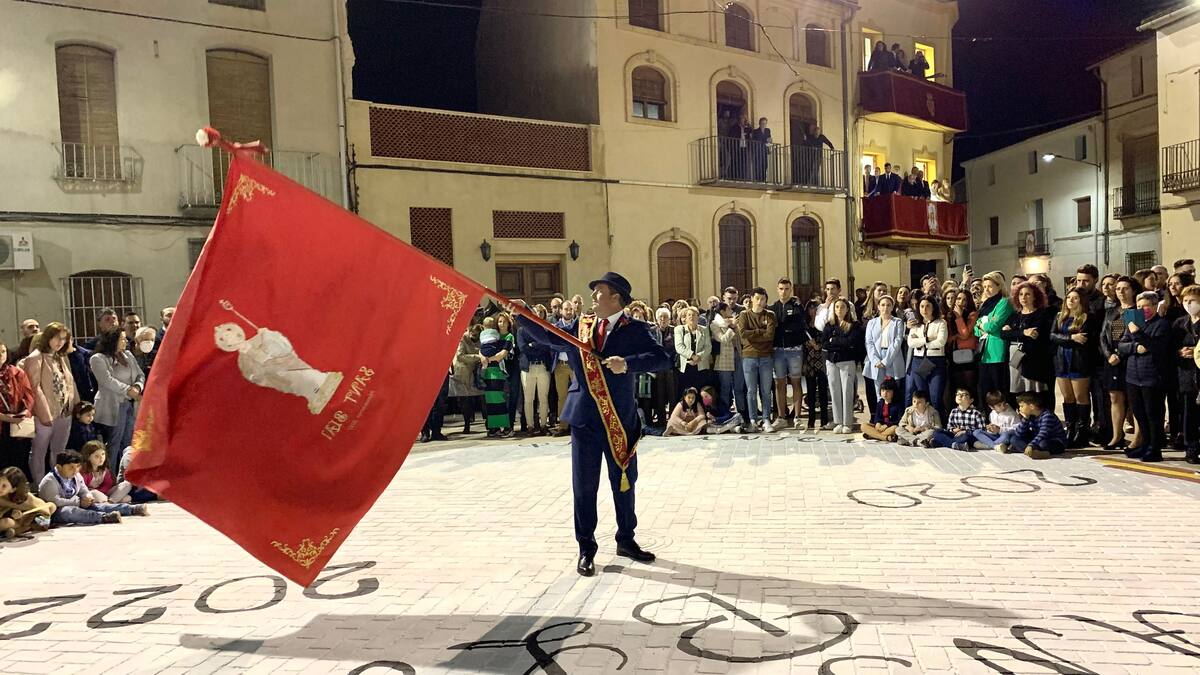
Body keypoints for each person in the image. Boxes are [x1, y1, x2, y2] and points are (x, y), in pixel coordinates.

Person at [510, 272, 671, 577]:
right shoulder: (581, 326)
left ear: (616, 298)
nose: (594, 297)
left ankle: (626, 539)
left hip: (618, 419)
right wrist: (524, 314)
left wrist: (629, 364)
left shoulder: (635, 329)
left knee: (623, 482)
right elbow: (550, 337)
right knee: (584, 486)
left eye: (599, 292)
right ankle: (586, 548)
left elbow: (662, 359)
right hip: (584, 418)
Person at [24, 322, 79, 484]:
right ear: (48, 337)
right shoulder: (35, 357)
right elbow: (34, 388)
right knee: (39, 451)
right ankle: (40, 485)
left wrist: (76, 405)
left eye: (63, 339)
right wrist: (44, 414)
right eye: (56, 338)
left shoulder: (60, 356)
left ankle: (58, 484)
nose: (60, 342)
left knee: (59, 452)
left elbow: (70, 382)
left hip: (64, 411)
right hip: (44, 414)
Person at [1120, 291, 1169, 462]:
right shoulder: (1132, 323)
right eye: (1139, 306)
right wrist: (1135, 347)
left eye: (1146, 306)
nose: (1142, 309)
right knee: (1139, 414)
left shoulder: (1161, 324)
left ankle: (1155, 448)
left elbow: (1155, 346)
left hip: (1152, 377)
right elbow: (1122, 345)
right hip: (1133, 376)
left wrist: (1137, 334)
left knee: (1152, 414)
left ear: (1155, 306)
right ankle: (1145, 444)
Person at [38, 450, 146, 525]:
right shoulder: (49, 481)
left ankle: (131, 509)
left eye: (77, 467)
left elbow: (83, 489)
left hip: (76, 502)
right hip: (56, 512)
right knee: (69, 511)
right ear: (59, 467)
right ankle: (103, 518)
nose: (75, 470)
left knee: (97, 505)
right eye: (71, 467)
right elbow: (55, 502)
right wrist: (79, 503)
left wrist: (87, 497)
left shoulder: (76, 475)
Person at [89, 328, 145, 473]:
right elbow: (107, 380)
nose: (126, 341)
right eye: (122, 338)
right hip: (112, 404)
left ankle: (126, 474)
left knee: (127, 442)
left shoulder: (128, 355)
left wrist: (138, 387)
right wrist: (128, 390)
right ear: (113, 340)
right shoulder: (98, 359)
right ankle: (110, 475)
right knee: (114, 441)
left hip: (128, 404)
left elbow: (140, 374)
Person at [1050, 288, 1100, 447]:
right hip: (1061, 361)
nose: (1071, 300)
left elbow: (1084, 339)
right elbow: (1052, 336)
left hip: (1079, 362)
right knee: (1068, 398)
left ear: (1082, 300)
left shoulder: (1088, 317)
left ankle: (1082, 431)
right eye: (1069, 297)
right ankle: (1070, 429)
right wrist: (1071, 337)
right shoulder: (1060, 317)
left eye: (1075, 298)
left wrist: (1065, 339)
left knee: (1081, 397)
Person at [1100, 276, 1141, 450]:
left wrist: (1120, 354)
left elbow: (1137, 338)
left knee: (1134, 399)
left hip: (1131, 360)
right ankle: (1117, 435)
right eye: (1118, 289)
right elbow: (1103, 336)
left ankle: (1138, 438)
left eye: (1125, 288)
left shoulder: (1138, 311)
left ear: (1133, 290)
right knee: (1114, 397)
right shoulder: (1111, 312)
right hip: (1112, 361)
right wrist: (1109, 354)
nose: (1121, 292)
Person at [1001, 282, 1054, 411]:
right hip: (1015, 357)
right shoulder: (1015, 316)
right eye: (1021, 294)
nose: (1023, 297)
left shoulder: (1041, 315)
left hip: (1033, 359)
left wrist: (1013, 332)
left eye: (1027, 294)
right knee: (1018, 391)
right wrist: (1023, 332)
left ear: (1035, 296)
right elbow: (1003, 334)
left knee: (1034, 393)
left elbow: (1036, 334)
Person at [736, 287, 778, 433]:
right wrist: (760, 331)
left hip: (766, 357)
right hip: (748, 357)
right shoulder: (744, 315)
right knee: (751, 390)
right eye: (757, 298)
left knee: (766, 390)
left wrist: (754, 334)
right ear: (752, 299)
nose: (760, 302)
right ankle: (753, 420)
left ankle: (766, 419)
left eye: (763, 299)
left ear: (766, 300)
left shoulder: (770, 315)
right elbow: (743, 334)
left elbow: (770, 336)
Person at [771, 278, 808, 428]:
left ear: (791, 289)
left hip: (795, 350)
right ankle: (781, 417)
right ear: (777, 289)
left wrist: (786, 324)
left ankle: (797, 417)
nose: (784, 291)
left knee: (796, 382)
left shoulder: (797, 306)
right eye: (781, 288)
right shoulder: (773, 308)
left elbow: (799, 324)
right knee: (779, 383)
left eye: (786, 289)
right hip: (778, 350)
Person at [821, 298, 862, 434]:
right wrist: (840, 342)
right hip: (832, 362)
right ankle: (838, 421)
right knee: (834, 391)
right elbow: (825, 344)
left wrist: (835, 340)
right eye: (837, 307)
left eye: (842, 307)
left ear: (847, 309)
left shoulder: (854, 325)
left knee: (847, 392)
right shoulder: (829, 325)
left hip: (847, 361)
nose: (839, 309)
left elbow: (852, 342)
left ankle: (847, 422)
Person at [974, 271, 1013, 406]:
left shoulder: (1004, 302)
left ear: (999, 286)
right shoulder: (985, 305)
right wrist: (984, 324)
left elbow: (992, 327)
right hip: (984, 352)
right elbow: (976, 329)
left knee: (998, 389)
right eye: (984, 287)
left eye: (990, 286)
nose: (987, 290)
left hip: (997, 352)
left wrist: (983, 324)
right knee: (985, 389)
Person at [1172, 284, 1200, 464]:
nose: (1189, 304)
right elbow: (1171, 347)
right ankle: (1191, 447)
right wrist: (1180, 352)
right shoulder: (1180, 323)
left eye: (1193, 301)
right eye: (1185, 301)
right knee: (1188, 412)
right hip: (1186, 374)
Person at [906, 297, 948, 412]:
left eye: (928, 306)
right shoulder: (915, 325)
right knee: (922, 396)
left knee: (935, 397)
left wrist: (921, 341)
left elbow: (941, 342)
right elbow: (911, 343)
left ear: (933, 307)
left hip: (936, 361)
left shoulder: (941, 323)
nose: (924, 309)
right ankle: (925, 423)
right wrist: (928, 339)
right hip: (918, 361)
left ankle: (939, 424)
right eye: (922, 306)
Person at [0, 342, 35, 481]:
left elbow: (29, 395)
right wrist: (8, 418)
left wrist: (25, 412)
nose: (0, 355)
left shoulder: (16, 372)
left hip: (18, 424)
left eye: (2, 351)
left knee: (19, 460)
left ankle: (19, 493)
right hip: (2, 423)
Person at [518, 306, 554, 436]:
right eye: (535, 312)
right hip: (528, 368)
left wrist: (533, 345)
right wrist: (537, 345)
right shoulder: (522, 330)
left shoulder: (545, 329)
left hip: (543, 366)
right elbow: (523, 348)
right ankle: (530, 426)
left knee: (543, 398)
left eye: (540, 312)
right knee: (528, 399)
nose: (537, 314)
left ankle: (544, 425)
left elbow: (547, 345)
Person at [865, 295, 905, 399]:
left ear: (892, 307)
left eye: (888, 305)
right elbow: (869, 342)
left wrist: (885, 361)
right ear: (878, 306)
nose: (885, 308)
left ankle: (892, 414)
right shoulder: (871, 323)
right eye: (882, 305)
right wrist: (875, 360)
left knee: (892, 390)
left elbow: (897, 341)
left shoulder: (897, 322)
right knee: (880, 392)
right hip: (876, 358)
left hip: (892, 358)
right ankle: (881, 414)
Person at [478, 318, 512, 438]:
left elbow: (501, 356)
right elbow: (481, 349)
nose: (501, 324)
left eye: (504, 321)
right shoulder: (491, 337)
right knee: (490, 401)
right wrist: (481, 356)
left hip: (497, 371)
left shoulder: (508, 337)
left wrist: (487, 359)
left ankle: (506, 426)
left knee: (498, 399)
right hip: (487, 371)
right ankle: (494, 427)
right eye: (499, 321)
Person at [1008, 392, 1068, 459]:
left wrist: (1031, 445)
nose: (1019, 409)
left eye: (1022, 406)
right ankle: (1034, 452)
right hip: (1037, 440)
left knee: (1043, 444)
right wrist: (1025, 419)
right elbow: (1018, 433)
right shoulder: (1030, 416)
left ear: (1031, 406)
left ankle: (1042, 452)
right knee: (1014, 439)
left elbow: (1043, 434)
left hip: (1054, 442)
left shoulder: (1047, 416)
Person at [449, 324, 485, 436]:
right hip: (464, 372)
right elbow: (460, 356)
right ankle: (467, 423)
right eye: (472, 334)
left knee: (483, 396)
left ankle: (489, 422)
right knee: (465, 399)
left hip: (478, 372)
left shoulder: (482, 338)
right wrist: (476, 357)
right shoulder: (463, 338)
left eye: (476, 335)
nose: (473, 336)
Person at [0, 467, 53, 536]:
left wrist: (21, 512)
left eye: (4, 486)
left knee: (51, 506)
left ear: (13, 489)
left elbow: (46, 509)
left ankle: (23, 528)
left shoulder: (26, 497)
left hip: (21, 519)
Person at [946, 289, 979, 400]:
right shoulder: (950, 316)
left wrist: (959, 317)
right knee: (956, 387)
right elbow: (949, 339)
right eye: (959, 298)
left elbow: (964, 334)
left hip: (969, 355)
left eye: (965, 299)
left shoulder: (973, 314)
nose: (961, 302)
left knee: (969, 386)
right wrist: (956, 336)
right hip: (955, 355)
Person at [802, 300, 830, 431]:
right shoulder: (805, 325)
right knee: (811, 391)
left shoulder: (823, 324)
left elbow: (827, 338)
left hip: (822, 360)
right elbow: (802, 341)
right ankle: (811, 419)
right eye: (810, 308)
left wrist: (819, 344)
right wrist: (810, 344)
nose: (812, 311)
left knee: (823, 390)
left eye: (814, 308)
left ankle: (824, 419)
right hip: (810, 361)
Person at [708, 303, 740, 416]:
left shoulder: (733, 322)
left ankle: (741, 412)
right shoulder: (714, 324)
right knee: (725, 388)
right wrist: (731, 327)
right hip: (723, 359)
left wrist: (735, 326)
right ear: (722, 311)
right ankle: (725, 413)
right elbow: (722, 339)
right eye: (728, 310)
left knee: (739, 387)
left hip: (737, 356)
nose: (731, 312)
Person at [673, 306, 712, 399]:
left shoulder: (704, 330)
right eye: (689, 315)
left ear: (698, 317)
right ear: (685, 318)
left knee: (699, 391)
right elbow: (679, 347)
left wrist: (699, 357)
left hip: (701, 366)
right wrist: (692, 355)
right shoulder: (679, 329)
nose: (691, 317)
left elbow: (708, 346)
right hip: (685, 366)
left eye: (694, 315)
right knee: (684, 391)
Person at [650, 308, 678, 427]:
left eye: (665, 317)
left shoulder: (674, 330)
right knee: (659, 393)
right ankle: (661, 420)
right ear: (656, 319)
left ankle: (672, 419)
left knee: (672, 394)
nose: (663, 319)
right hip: (658, 367)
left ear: (669, 318)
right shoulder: (651, 331)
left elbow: (676, 348)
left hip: (671, 365)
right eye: (661, 317)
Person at [750, 117, 772, 182]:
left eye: (765, 123)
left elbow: (769, 139)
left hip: (764, 150)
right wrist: (766, 140)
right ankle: (758, 179)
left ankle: (764, 179)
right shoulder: (755, 131)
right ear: (759, 124)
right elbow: (757, 140)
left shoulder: (768, 130)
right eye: (762, 123)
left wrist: (770, 141)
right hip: (758, 150)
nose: (764, 125)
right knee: (758, 165)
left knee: (765, 165)